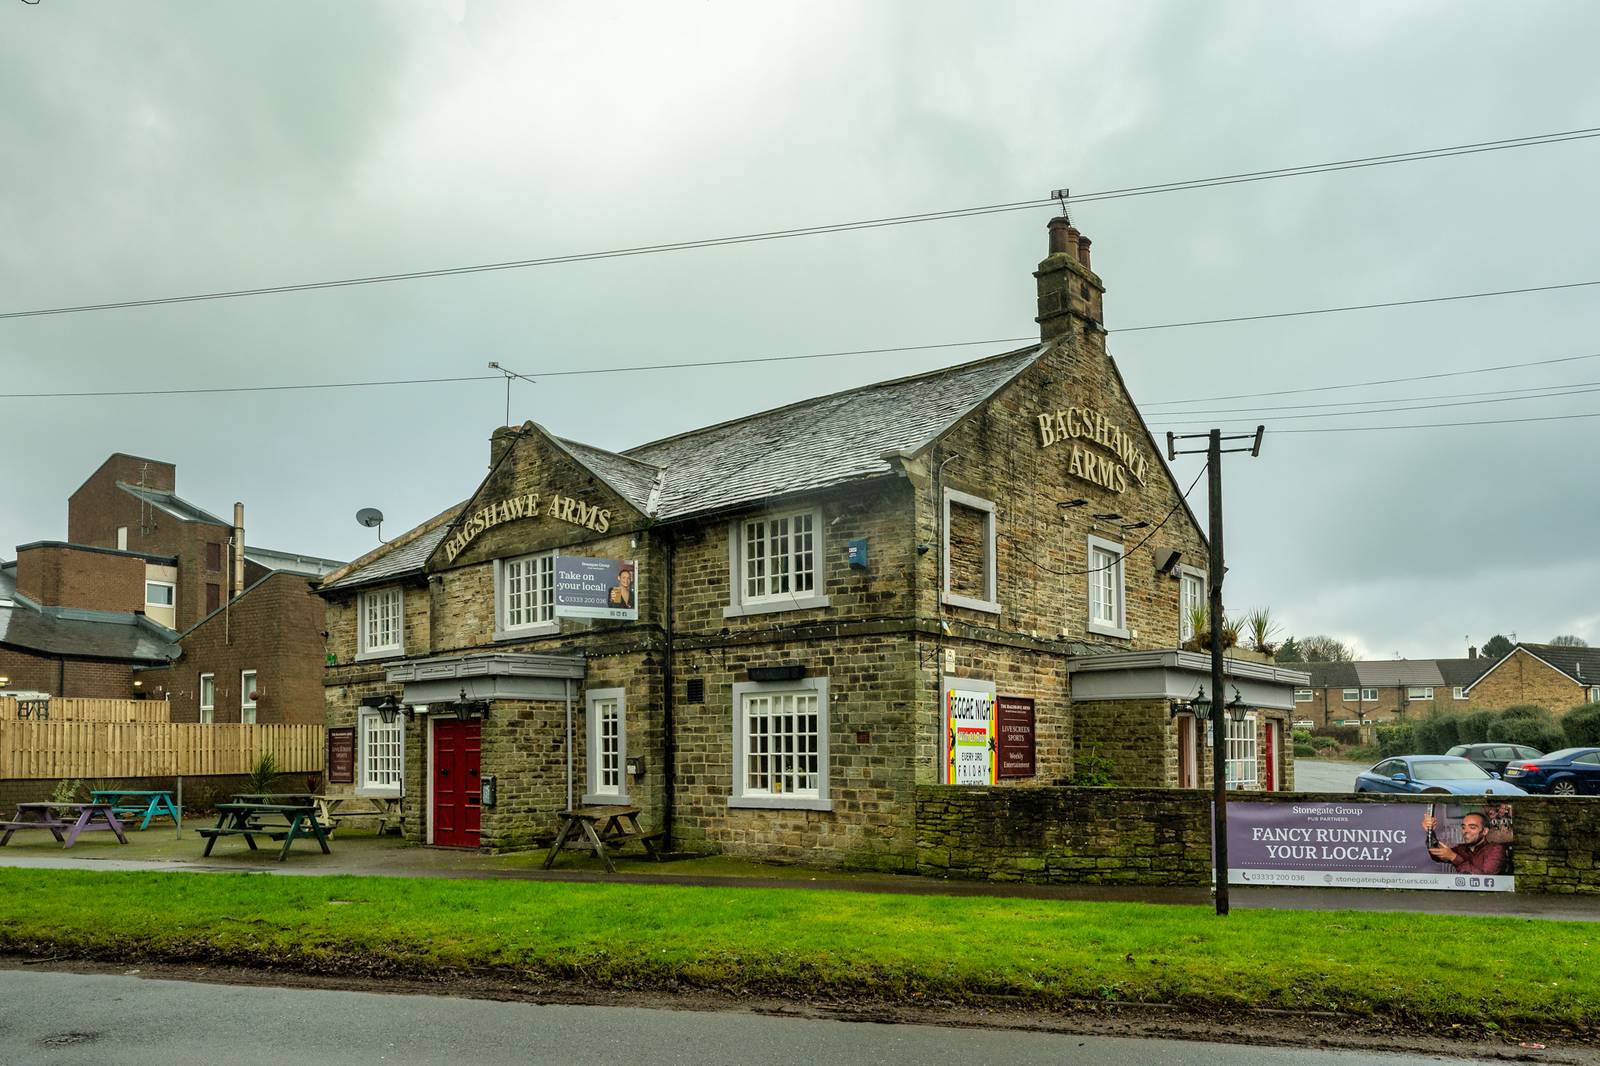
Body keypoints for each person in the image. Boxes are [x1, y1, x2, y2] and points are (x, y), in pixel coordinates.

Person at [1422, 811, 1507, 875]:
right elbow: (1436, 853)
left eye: (1472, 827)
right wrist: (1430, 831)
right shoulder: (1460, 849)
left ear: (1484, 831)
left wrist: (1454, 857)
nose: (1465, 831)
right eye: (1463, 827)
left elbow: (1485, 878)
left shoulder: (1496, 849)